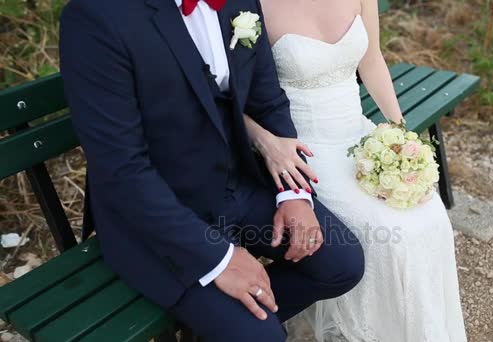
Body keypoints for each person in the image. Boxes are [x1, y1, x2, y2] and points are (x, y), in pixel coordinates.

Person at [59, 0, 365, 341]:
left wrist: (294, 193)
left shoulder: (240, 2)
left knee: (342, 264)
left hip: (238, 184)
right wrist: (220, 259)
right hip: (158, 215)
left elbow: (267, 101)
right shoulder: (95, 17)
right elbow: (121, 169)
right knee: (261, 337)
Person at [242, 0, 468, 340]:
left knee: (431, 217)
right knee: (387, 233)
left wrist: (400, 136)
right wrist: (266, 143)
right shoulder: (252, 6)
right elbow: (232, 96)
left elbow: (372, 59)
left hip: (359, 137)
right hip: (304, 149)